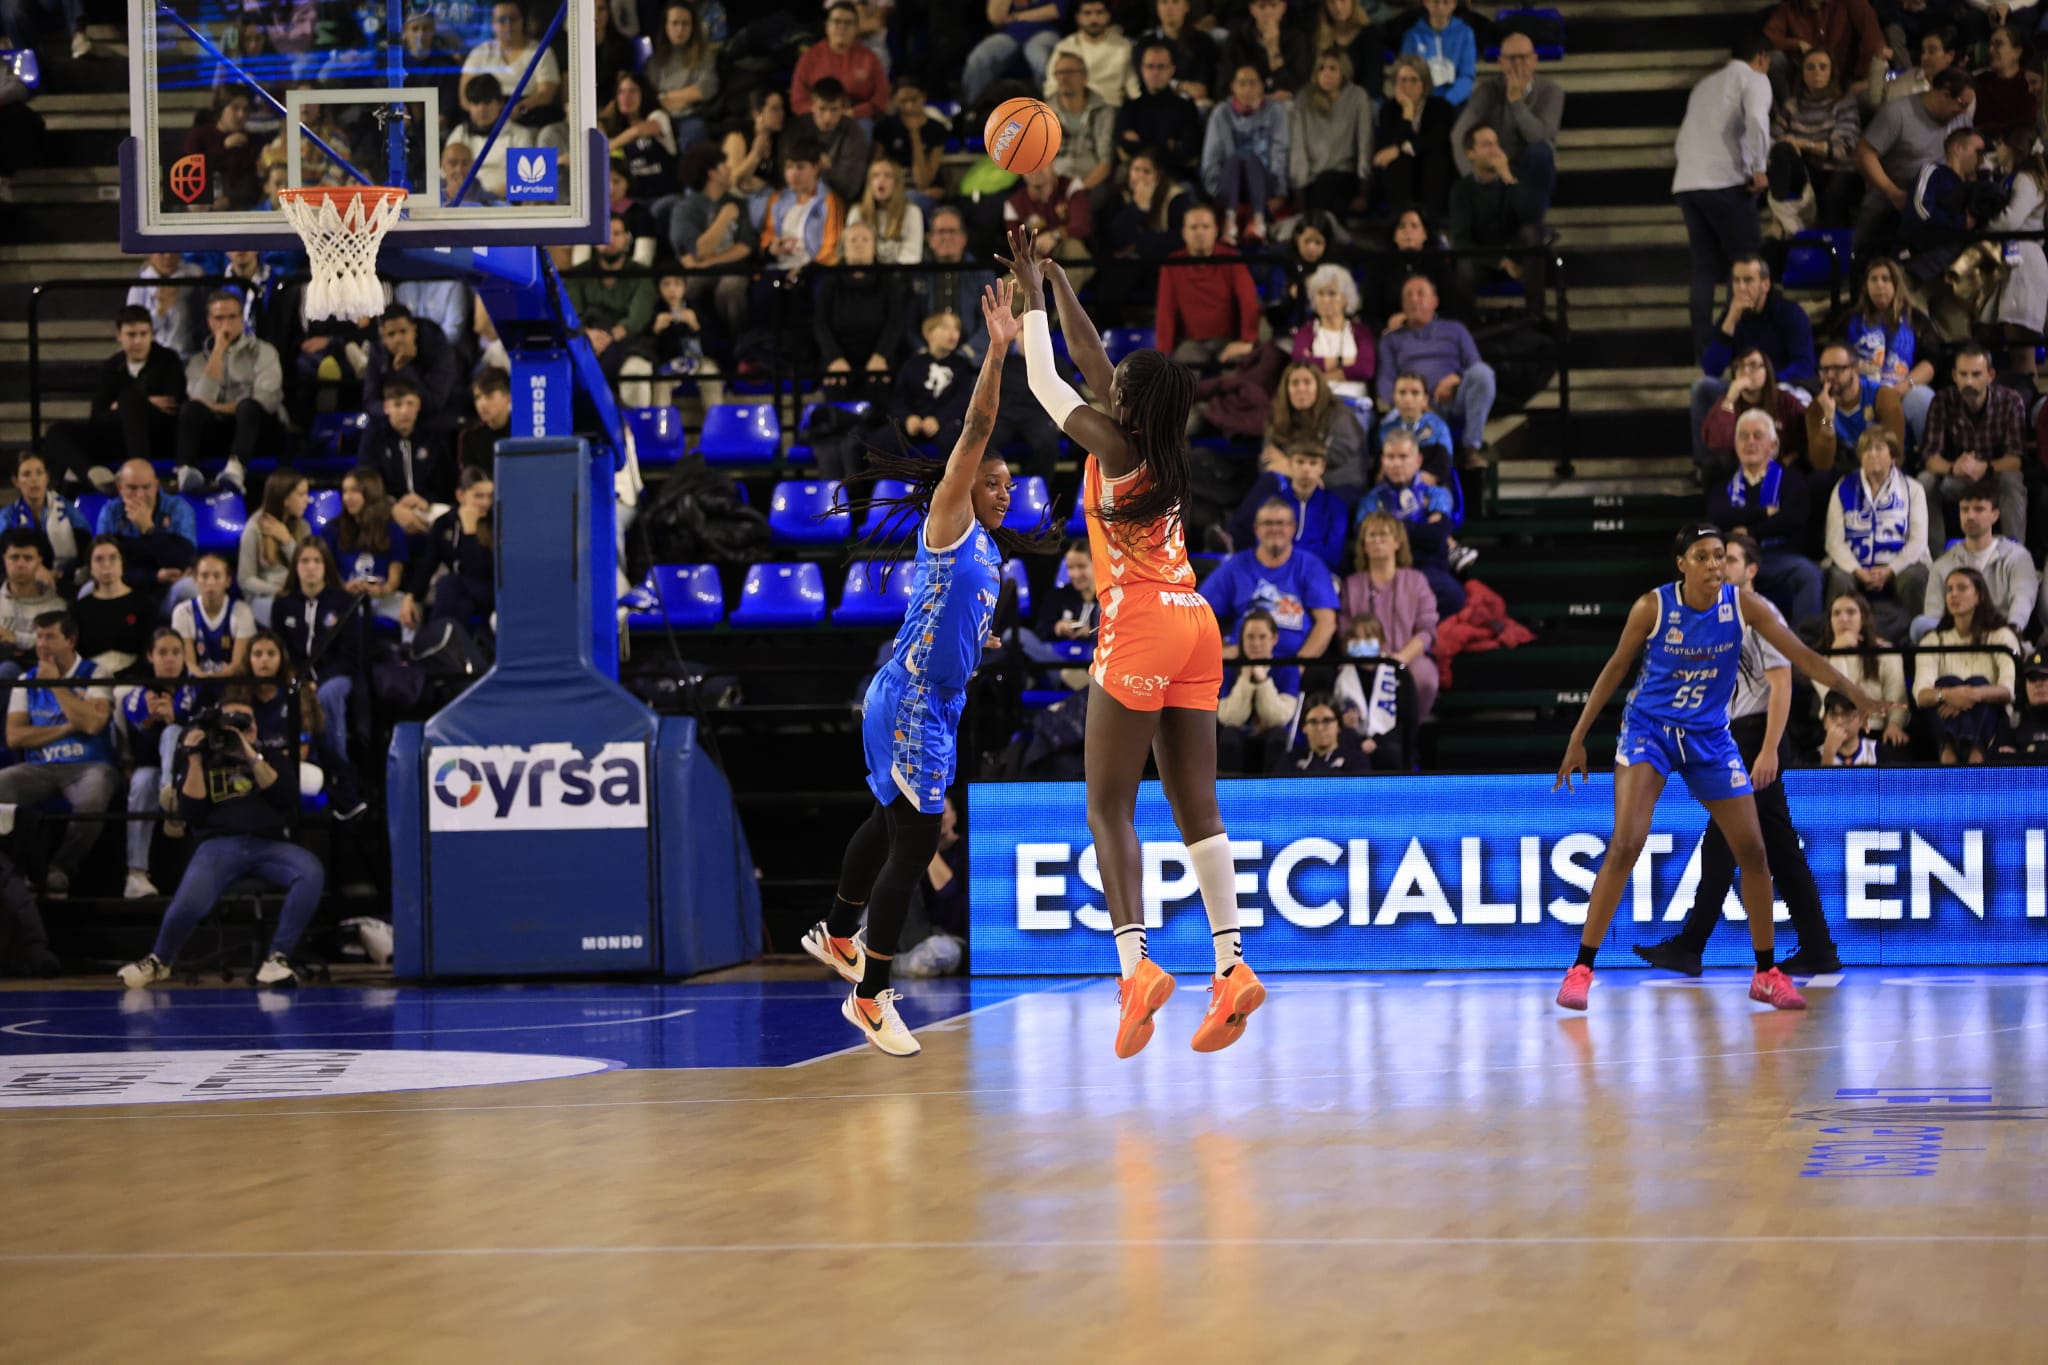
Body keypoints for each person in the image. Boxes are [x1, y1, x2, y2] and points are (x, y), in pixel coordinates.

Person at [1003, 226, 1267, 1057]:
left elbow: (1049, 374)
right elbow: (1089, 356)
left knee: (1108, 804)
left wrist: (1027, 307)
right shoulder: (1158, 439)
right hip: (1197, 622)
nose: (1106, 380)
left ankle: (1137, 969)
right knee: (1199, 809)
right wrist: (1053, 274)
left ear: (1127, 400)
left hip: (1144, 618)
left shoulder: (1114, 445)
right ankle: (1230, 966)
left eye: (1117, 382)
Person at [802, 283, 1026, 1057]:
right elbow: (978, 424)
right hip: (911, 702)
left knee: (887, 820)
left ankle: (837, 932)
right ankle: (870, 995)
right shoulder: (952, 516)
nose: (1006, 489)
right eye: (995, 479)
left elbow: (956, 621)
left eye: (1011, 484)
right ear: (964, 484)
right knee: (916, 837)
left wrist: (981, 645)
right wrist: (996, 349)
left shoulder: (992, 555)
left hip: (922, 697)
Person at [1552, 525, 1879, 1011]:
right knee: (1627, 842)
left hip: (1710, 736)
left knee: (1753, 850)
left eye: (1720, 556)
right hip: (1651, 730)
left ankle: (1766, 972)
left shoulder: (1744, 606)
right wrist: (1578, 738)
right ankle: (1580, 968)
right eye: (1702, 556)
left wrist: (1855, 694)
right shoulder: (1653, 606)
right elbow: (1616, 668)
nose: (1713, 565)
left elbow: (1802, 656)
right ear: (1680, 563)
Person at [1634, 532, 1843, 978]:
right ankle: (1818, 947)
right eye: (1712, 557)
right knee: (1774, 848)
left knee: (1729, 846)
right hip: (1735, 734)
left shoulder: (1757, 612)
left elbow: (1782, 684)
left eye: (1728, 559)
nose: (1718, 565)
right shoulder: (1713, 616)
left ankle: (1692, 946)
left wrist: (1769, 750)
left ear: (1750, 570)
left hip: (1755, 735)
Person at [114, 692, 325, 990]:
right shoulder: (207, 759)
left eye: (245, 721)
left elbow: (286, 800)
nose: (237, 729)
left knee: (311, 871)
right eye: (230, 723)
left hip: (269, 844)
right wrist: (195, 758)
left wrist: (249, 754)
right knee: (189, 901)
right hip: (219, 845)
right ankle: (160, 960)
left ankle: (278, 958)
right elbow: (192, 813)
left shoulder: (273, 757)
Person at [0, 611, 119, 898]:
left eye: (50, 636)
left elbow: (93, 724)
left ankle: (60, 869)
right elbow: (15, 737)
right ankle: (16, 871)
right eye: (39, 637)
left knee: (92, 800)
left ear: (71, 640)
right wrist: (69, 726)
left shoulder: (96, 673)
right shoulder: (26, 679)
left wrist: (56, 686)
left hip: (90, 765)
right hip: (39, 768)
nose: (42, 644)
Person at [1672, 36, 1773, 357]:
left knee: (1704, 268)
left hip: (1687, 183)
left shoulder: (1704, 85)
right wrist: (1759, 167)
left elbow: (1682, 137)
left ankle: (1705, 347)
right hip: (1724, 181)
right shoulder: (1755, 78)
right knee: (1745, 262)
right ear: (1762, 57)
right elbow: (1758, 119)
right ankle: (1734, 341)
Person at [41, 307, 186, 493]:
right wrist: (137, 405)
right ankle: (93, 475)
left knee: (129, 397)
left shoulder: (168, 360)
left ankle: (140, 471)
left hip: (158, 437)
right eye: (131, 334)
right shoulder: (111, 367)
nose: (138, 341)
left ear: (152, 334)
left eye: (144, 334)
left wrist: (127, 404)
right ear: (119, 336)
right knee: (57, 432)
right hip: (118, 438)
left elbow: (172, 404)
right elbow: (97, 416)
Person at [1707, 408, 1824, 623]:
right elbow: (1718, 515)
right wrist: (1763, 512)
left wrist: (1750, 531)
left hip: (1778, 560)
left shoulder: (1791, 480)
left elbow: (1792, 519)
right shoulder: (1724, 484)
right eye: (1743, 436)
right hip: (1734, 560)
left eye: (1758, 436)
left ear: (1773, 446)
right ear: (1735, 445)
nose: (1750, 442)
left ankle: (1805, 649)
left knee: (1808, 575)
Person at [1201, 497, 1340, 675]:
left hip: (1295, 664)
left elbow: (1327, 622)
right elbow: (1198, 616)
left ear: (1293, 528)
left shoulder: (1311, 565)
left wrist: (1298, 666)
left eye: (1281, 523)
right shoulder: (1235, 566)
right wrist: (1220, 651)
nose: (1275, 529)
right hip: (1243, 665)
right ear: (1256, 529)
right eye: (1268, 523)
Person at [1376, 275, 1495, 469]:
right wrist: (1414, 402)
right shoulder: (1391, 339)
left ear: (1435, 302)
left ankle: (1472, 449)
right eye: (1408, 296)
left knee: (1483, 374)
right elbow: (1385, 382)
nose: (1414, 299)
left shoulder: (1455, 329)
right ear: (1402, 305)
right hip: (1415, 404)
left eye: (1421, 294)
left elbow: (1475, 364)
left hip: (1456, 399)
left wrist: (1457, 378)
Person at [1918, 344, 2029, 549]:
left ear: (1991, 375)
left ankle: (2015, 555)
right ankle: (1936, 559)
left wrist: (1985, 467)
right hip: (1956, 478)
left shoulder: (2010, 401)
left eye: (1976, 374)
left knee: (2012, 480)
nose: (1969, 381)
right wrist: (1954, 468)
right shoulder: (1942, 401)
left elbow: (2015, 459)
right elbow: (1931, 458)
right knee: (1925, 482)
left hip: (1992, 477)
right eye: (1963, 374)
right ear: (1954, 376)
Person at [175, 290, 284, 498]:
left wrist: (215, 407)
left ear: (242, 319)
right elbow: (199, 399)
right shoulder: (198, 361)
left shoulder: (264, 351)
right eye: (219, 318)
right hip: (218, 432)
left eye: (232, 317)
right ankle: (185, 470)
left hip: (258, 433)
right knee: (190, 410)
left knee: (248, 407)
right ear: (209, 322)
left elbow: (266, 400)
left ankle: (236, 469)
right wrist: (218, 351)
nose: (226, 324)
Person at [1853, 65, 1974, 252]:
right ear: (1944, 94)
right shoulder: (1898, 112)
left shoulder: (1960, 120)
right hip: (1893, 197)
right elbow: (1864, 153)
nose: (1965, 112)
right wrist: (1891, 192)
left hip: (1938, 201)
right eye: (1962, 104)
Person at [117, 627, 199, 898]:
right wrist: (152, 721)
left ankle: (171, 794)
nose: (170, 659)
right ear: (150, 656)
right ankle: (136, 874)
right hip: (152, 770)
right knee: (141, 781)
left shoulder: (198, 689)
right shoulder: (136, 696)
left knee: (174, 732)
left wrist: (175, 719)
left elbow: (203, 733)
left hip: (192, 771)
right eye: (162, 652)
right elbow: (141, 749)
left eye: (176, 652)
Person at [1827, 427, 1931, 640]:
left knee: (1915, 577)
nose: (1872, 454)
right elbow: (1834, 541)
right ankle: (1839, 643)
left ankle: (1914, 643)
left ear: (1892, 455)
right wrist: (1857, 570)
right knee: (1838, 577)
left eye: (1878, 448)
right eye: (1866, 450)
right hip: (1856, 567)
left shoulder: (1913, 489)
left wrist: (1890, 570)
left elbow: (1918, 541)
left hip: (1899, 566)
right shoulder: (1843, 488)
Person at [1341, 510, 1441, 721]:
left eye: (1384, 535)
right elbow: (1345, 632)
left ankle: (1411, 734)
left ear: (1397, 543)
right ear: (1364, 545)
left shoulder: (1417, 581)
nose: (1377, 541)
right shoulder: (1352, 584)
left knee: (1425, 678)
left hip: (1409, 657)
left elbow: (1427, 630)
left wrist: (1400, 659)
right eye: (1371, 535)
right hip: (1363, 658)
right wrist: (1373, 660)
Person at [1450, 32, 1563, 217]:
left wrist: (1516, 102)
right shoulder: (1487, 90)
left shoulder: (1551, 91)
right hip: (1495, 161)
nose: (1518, 64)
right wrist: (1473, 177)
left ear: (1534, 60)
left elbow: (1541, 137)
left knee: (1542, 152)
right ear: (1501, 62)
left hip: (1530, 166)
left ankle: (1533, 223)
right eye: (1511, 58)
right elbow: (1459, 133)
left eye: (1523, 58)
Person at [1915, 565, 2020, 763]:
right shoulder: (1932, 641)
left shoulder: (2001, 636)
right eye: (1949, 589)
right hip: (1942, 716)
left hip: (1993, 720)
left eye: (1962, 588)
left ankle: (1972, 754)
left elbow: (2008, 691)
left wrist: (1973, 695)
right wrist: (1949, 695)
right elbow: (1921, 695)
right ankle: (1952, 753)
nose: (1954, 594)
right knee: (1948, 682)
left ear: (1979, 596)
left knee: (1978, 681)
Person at [274, 538, 365, 759]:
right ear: (296, 566)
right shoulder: (283, 603)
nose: (311, 567)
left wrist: (319, 680)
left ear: (326, 566)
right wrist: (298, 679)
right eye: (304, 561)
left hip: (336, 676)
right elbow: (280, 649)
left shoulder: (344, 601)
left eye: (317, 560)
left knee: (327, 694)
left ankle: (337, 765)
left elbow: (350, 653)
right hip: (296, 678)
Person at [1912, 481, 2038, 639]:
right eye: (1965, 510)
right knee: (1920, 625)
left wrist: (2010, 632)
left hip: (2001, 636)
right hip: (1956, 641)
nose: (1970, 516)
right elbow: (1933, 616)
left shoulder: (2017, 557)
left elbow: (2022, 603)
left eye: (1979, 509)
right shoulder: (1943, 564)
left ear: (1995, 515)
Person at [1361, 429, 1464, 616]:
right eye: (1391, 457)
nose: (1397, 464)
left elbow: (1437, 536)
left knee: (1454, 596)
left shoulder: (1436, 493)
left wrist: (1390, 529)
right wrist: (1419, 529)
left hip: (1428, 569)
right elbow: (1364, 537)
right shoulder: (1370, 500)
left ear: (1418, 460)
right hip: (1384, 570)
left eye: (1403, 457)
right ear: (1383, 461)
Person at [1766, 47, 1864, 234]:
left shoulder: (1843, 103)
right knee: (1782, 152)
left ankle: (1828, 247)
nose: (1816, 72)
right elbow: (1773, 139)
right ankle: (1786, 223)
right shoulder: (1792, 105)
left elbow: (1842, 150)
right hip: (1802, 170)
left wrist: (1802, 143)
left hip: (1835, 170)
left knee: (1834, 193)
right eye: (1810, 67)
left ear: (1831, 72)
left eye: (1822, 67)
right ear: (1802, 73)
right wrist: (1787, 143)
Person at [1448, 123, 1550, 300]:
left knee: (1532, 235)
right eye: (1487, 145)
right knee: (1464, 265)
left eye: (1496, 143)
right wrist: (1501, 262)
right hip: (1484, 260)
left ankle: (1535, 315)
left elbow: (1532, 218)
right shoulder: (1461, 190)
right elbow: (1461, 241)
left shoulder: (1515, 178)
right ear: (1470, 153)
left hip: (1518, 255)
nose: (1495, 150)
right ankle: (1465, 325)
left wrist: (1508, 179)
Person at [1843, 258, 1937, 445]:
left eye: (1886, 279)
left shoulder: (1916, 320)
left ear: (1896, 285)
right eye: (1874, 279)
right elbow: (1836, 358)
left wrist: (1904, 386)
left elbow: (1932, 362)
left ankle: (1929, 459)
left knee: (1923, 398)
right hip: (1859, 391)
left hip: (1901, 389)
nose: (1879, 285)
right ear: (1866, 286)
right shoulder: (1849, 320)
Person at [1153, 202, 1261, 365]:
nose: (1200, 233)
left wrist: (1247, 341)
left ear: (1216, 231)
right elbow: (1165, 311)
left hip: (1229, 340)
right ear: (1184, 233)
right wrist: (1163, 355)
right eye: (1194, 227)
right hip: (1191, 344)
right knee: (1180, 374)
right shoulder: (1171, 265)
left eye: (1205, 226)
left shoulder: (1233, 259)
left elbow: (1249, 301)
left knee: (1240, 370)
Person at [1200, 64, 1290, 245]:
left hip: (1265, 183)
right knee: (1236, 158)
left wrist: (1280, 191)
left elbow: (1281, 151)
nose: (1247, 89)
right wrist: (1215, 192)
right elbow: (1211, 156)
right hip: (1230, 183)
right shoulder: (1221, 113)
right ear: (1233, 86)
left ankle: (1258, 221)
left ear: (1262, 86)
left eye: (1252, 83)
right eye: (1242, 83)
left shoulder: (1275, 111)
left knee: (1249, 158)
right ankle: (1230, 221)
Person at [1814, 589, 1912, 749]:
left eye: (1851, 612)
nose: (1843, 619)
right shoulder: (1819, 658)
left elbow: (1897, 696)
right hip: (1835, 730)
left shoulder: (1885, 652)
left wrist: (1894, 724)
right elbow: (1835, 699)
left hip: (1874, 729)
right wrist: (1837, 653)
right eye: (1836, 614)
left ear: (1863, 618)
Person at [1228, 440, 1346, 571]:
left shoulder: (1336, 506)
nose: (1306, 469)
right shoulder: (1271, 504)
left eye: (1313, 463)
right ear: (1290, 464)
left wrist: (1289, 550)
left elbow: (1333, 554)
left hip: (1319, 571)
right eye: (1300, 462)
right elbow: (1265, 545)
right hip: (1275, 569)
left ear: (1322, 467)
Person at [1698, 346, 1807, 484]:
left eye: (1753, 365)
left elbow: (1810, 430)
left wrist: (1792, 457)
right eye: (1740, 366)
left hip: (1780, 468)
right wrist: (1730, 399)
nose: (1746, 371)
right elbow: (1717, 444)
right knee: (1714, 464)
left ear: (1767, 371)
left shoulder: (1785, 400)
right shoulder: (1726, 403)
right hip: (1739, 471)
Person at [408, 467, 495, 639]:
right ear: (460, 495)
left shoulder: (496, 523)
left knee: (449, 583)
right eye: (478, 496)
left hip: (488, 590)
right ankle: (454, 656)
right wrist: (410, 596)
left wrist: (470, 532)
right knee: (462, 604)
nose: (486, 502)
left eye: (490, 496)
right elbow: (429, 562)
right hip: (460, 594)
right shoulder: (445, 523)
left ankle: (434, 644)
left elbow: (480, 570)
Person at [1805, 341, 1907, 488]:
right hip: (1844, 469)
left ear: (1856, 369)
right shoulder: (1817, 408)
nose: (1830, 375)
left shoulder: (1882, 397)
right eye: (1825, 370)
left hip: (1882, 466)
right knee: (1818, 481)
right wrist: (1828, 419)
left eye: (1838, 369)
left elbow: (1896, 453)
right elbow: (1821, 464)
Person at [96, 459, 197, 601]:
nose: (140, 495)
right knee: (89, 590)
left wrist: (149, 529)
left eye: (146, 487)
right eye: (132, 488)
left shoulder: (178, 509)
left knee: (189, 587)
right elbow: (104, 567)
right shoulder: (110, 512)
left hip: (166, 591)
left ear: (156, 485)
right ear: (120, 488)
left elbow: (182, 562)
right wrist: (154, 577)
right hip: (123, 590)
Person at [1289, 49, 1373, 219]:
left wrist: (1364, 190)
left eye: (1332, 68)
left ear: (1343, 72)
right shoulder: (1304, 98)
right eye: (1321, 68)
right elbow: (1298, 147)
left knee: (1330, 189)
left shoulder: (1358, 97)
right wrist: (1299, 190)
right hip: (1312, 179)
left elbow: (1365, 143)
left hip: (1347, 175)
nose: (1326, 73)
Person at [1265, 359, 1368, 494]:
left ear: (1319, 386)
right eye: (1295, 383)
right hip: (1291, 481)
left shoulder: (1340, 415)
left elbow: (1335, 456)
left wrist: (1291, 466)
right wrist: (1293, 472)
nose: (1301, 388)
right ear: (1286, 389)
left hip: (1337, 482)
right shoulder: (1277, 416)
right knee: (1265, 486)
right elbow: (1268, 458)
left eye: (1307, 382)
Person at [1217, 608, 1300, 774]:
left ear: (1274, 638)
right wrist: (1245, 680)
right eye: (1250, 637)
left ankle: (1274, 794)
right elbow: (1229, 718)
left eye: (1262, 637)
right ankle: (1228, 794)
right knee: (1229, 735)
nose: (1255, 643)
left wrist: (1262, 681)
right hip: (1239, 737)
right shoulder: (1229, 669)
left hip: (1271, 737)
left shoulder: (1288, 668)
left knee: (1278, 736)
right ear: (1242, 639)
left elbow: (1278, 718)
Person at [1373, 54, 1456, 220]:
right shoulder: (1388, 110)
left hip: (1432, 168)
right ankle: (1402, 222)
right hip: (1403, 172)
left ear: (1424, 84)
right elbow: (1386, 146)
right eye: (1402, 80)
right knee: (1397, 163)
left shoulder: (1441, 107)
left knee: (1435, 159)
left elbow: (1436, 140)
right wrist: (1407, 113)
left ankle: (1431, 222)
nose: (1407, 86)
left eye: (1413, 80)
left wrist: (1400, 148)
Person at [327, 469, 413, 627]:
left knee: (412, 610)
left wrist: (382, 590)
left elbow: (394, 579)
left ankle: (409, 651)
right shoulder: (333, 529)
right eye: (345, 491)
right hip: (345, 598)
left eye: (355, 491)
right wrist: (344, 587)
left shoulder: (392, 530)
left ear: (371, 492)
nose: (348, 497)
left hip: (382, 598)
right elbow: (327, 571)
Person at [362, 303, 464, 435]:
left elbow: (433, 403)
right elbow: (370, 401)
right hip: (392, 417)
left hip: (437, 414)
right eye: (391, 334)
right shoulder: (378, 351)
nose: (398, 339)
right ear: (383, 338)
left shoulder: (437, 346)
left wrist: (405, 368)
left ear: (414, 330)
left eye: (403, 331)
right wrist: (392, 410)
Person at [911, 207, 998, 361]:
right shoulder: (917, 273)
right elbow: (908, 324)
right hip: (926, 358)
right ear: (930, 239)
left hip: (971, 361)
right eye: (940, 232)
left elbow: (991, 321)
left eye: (952, 231)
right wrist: (924, 352)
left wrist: (965, 355)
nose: (946, 237)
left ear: (964, 238)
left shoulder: (982, 272)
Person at [887, 311, 977, 457]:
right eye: (946, 327)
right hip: (915, 424)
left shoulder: (963, 366)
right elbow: (898, 400)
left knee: (958, 444)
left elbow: (963, 401)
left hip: (947, 425)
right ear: (929, 334)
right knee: (878, 442)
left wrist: (939, 420)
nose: (953, 333)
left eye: (956, 328)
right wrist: (908, 418)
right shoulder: (912, 365)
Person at [1763, 0, 1888, 103]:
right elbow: (1768, 37)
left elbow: (1873, 38)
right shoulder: (1789, 6)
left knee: (1867, 97)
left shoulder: (1852, 3)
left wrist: (1861, 78)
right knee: (1774, 59)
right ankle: (1790, 112)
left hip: (1845, 77)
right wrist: (1797, 44)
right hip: (1804, 79)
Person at [461, 0, 562, 127]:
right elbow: (464, 97)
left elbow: (546, 93)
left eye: (513, 19)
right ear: (493, 24)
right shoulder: (479, 53)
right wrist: (485, 112)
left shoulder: (542, 52)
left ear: (522, 21)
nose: (508, 25)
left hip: (527, 120)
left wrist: (520, 107)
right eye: (502, 20)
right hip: (484, 123)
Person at [1117, 41, 1205, 184]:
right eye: (1150, 67)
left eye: (1161, 67)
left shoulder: (1186, 107)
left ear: (1172, 70)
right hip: (1138, 177)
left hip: (1175, 177)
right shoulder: (1130, 108)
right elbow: (1125, 147)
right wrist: (1167, 145)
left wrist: (1143, 145)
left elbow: (1189, 151)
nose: (1155, 72)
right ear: (1142, 69)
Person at [1288, 267, 1376, 405]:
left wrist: (1318, 375)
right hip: (1315, 403)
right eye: (1320, 294)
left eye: (1332, 294)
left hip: (1353, 403)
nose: (1325, 300)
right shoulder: (1305, 332)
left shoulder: (1361, 332)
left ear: (1345, 299)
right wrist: (1343, 361)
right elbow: (1300, 364)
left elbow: (1365, 369)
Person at [758, 138, 846, 273]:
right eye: (789, 167)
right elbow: (767, 237)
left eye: (800, 167)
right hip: (778, 268)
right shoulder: (777, 199)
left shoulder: (831, 201)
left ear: (815, 168)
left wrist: (805, 270)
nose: (793, 173)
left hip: (815, 272)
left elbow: (832, 249)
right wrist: (771, 249)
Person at [0, 454, 88, 587]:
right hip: (21, 580)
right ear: (16, 481)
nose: (34, 479)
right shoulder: (7, 517)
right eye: (26, 474)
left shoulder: (68, 510)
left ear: (46, 478)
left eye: (39, 473)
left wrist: (58, 573)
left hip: (65, 578)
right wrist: (34, 571)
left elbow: (86, 551)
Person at [236, 470, 311, 627]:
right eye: (301, 494)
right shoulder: (253, 530)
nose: (307, 500)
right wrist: (277, 591)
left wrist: (287, 541)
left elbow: (306, 568)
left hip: (295, 594)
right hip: (263, 597)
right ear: (285, 499)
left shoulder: (303, 527)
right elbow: (245, 580)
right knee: (288, 612)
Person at [1003, 162, 1095, 288]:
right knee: (1005, 287)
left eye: (1041, 163)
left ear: (1053, 163)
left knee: (1074, 248)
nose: (1035, 170)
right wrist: (1034, 257)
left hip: (1071, 260)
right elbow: (1017, 248)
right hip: (1036, 263)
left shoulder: (1070, 187)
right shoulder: (1014, 204)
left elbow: (1082, 225)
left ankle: (1062, 308)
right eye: (1029, 165)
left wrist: (1055, 235)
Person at [794, 1, 890, 119]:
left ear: (856, 28)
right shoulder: (810, 57)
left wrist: (855, 112)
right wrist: (822, 114)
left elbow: (881, 97)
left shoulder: (869, 58)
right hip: (816, 118)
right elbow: (797, 100)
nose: (842, 27)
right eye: (837, 21)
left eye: (848, 23)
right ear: (827, 26)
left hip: (856, 117)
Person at [963, 0, 1068, 105]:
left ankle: (1054, 110)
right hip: (1010, 33)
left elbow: (1057, 11)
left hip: (1045, 31)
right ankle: (972, 111)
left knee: (1040, 57)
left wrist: (1017, 16)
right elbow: (995, 18)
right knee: (979, 58)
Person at [74, 537, 152, 674]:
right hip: (91, 679)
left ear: (122, 563)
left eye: (113, 558)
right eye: (99, 559)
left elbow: (149, 652)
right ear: (90, 568)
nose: (106, 564)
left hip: (134, 679)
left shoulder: (143, 604)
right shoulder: (79, 609)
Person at [171, 553, 255, 678]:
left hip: (230, 684)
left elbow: (238, 665)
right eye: (204, 576)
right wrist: (204, 683)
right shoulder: (183, 612)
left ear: (228, 581)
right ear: (195, 580)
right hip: (194, 684)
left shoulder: (242, 611)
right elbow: (188, 664)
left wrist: (212, 680)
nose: (210, 582)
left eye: (217, 576)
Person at [794, 78, 872, 208]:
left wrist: (819, 169)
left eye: (834, 110)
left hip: (838, 204)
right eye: (822, 109)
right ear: (812, 106)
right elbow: (788, 177)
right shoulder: (798, 128)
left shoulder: (854, 133)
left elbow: (850, 188)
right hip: (798, 201)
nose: (828, 117)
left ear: (843, 108)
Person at [646, 2, 718, 135]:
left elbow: (703, 91)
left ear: (693, 27)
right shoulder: (654, 61)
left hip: (692, 115)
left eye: (685, 24)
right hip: (660, 116)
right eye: (675, 23)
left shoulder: (705, 56)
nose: (680, 29)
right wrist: (682, 98)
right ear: (666, 26)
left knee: (695, 131)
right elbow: (650, 97)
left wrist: (665, 96)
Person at [871, 76, 948, 199]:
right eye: (903, 101)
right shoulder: (885, 127)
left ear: (923, 96)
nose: (909, 107)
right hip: (893, 191)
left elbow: (923, 182)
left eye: (914, 100)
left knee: (914, 198)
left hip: (925, 192)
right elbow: (876, 170)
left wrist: (915, 135)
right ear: (894, 99)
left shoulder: (937, 129)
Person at [1043, 0, 1130, 108]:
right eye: (1087, 13)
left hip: (1111, 109)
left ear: (1108, 16)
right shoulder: (1064, 47)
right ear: (1078, 18)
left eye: (1099, 12)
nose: (1093, 19)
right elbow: (1051, 87)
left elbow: (1132, 87)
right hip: (1071, 111)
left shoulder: (1124, 47)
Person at [0, 528, 61, 677]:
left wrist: (14, 639)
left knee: (7, 670)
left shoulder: (56, 606)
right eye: (14, 557)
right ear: (4, 559)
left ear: (39, 561)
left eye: (27, 558)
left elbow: (56, 648)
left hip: (37, 672)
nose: (20, 564)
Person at [1379, 370, 1456, 486]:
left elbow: (1441, 471)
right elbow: (1380, 475)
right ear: (1394, 397)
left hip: (1428, 490)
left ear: (1425, 399)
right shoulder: (1385, 430)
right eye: (1402, 392)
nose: (1408, 399)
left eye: (1415, 393)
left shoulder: (1438, 428)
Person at [1136, 0, 1217, 105]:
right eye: (1164, 2)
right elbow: (1144, 80)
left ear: (1187, 6)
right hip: (1154, 102)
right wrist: (1181, 85)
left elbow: (1201, 86)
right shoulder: (1145, 43)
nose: (1168, 8)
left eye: (1175, 2)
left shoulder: (1203, 41)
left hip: (1192, 104)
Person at [1228, 0, 1311, 99]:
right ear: (1252, 9)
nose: (1268, 12)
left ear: (1283, 8)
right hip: (1247, 105)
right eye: (1261, 7)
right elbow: (1224, 86)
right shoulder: (1237, 39)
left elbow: (1299, 86)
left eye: (1273, 5)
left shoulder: (1297, 39)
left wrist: (1273, 49)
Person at [1399, 0, 1476, 106]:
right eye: (1435, 1)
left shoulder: (1465, 33)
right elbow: (1406, 73)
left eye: (1445, 1)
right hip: (1422, 102)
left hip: (1455, 102)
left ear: (1454, 4)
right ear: (1426, 2)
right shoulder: (1412, 35)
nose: (1440, 6)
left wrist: (1447, 101)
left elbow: (1467, 76)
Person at [849, 158, 925, 266]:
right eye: (875, 176)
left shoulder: (912, 213)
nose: (881, 180)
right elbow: (851, 253)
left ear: (897, 183)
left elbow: (912, 256)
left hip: (900, 276)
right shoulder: (857, 213)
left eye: (888, 176)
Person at [459, 367, 511, 479]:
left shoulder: (524, 431)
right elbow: (472, 482)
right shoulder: (470, 436)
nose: (482, 404)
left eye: (489, 396)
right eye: (477, 397)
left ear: (508, 397)